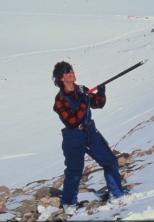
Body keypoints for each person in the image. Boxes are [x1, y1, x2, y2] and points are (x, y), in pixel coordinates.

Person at [52, 61, 124, 214]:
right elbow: (72, 121)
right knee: (74, 171)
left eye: (71, 69)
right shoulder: (59, 101)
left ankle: (117, 195)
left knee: (110, 161)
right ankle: (69, 204)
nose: (71, 72)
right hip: (73, 137)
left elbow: (98, 104)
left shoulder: (81, 89)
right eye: (67, 72)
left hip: (90, 132)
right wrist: (84, 102)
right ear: (61, 78)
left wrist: (101, 93)